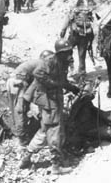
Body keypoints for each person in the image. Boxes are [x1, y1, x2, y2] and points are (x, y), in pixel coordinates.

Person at [19, 39, 80, 175]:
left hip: (53, 99)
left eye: (70, 51)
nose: (70, 54)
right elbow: (38, 74)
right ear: (59, 53)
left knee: (45, 130)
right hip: (48, 101)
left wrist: (73, 88)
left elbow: (62, 81)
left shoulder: (62, 62)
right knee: (54, 130)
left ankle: (26, 157)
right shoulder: (50, 61)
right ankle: (56, 166)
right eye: (67, 52)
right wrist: (53, 83)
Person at [6, 50, 55, 146]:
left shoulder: (37, 63)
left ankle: (23, 132)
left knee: (21, 108)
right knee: (20, 109)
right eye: (51, 59)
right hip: (18, 83)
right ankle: (21, 137)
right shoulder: (42, 65)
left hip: (17, 82)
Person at [60, 0, 94, 76]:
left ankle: (71, 67)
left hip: (74, 35)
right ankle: (82, 72)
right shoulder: (88, 12)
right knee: (82, 55)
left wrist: (62, 35)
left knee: (67, 50)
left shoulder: (73, 11)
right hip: (85, 36)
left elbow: (65, 25)